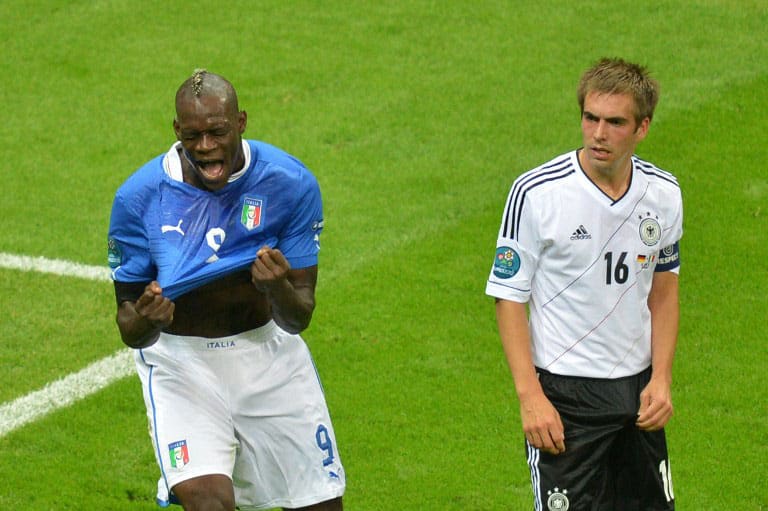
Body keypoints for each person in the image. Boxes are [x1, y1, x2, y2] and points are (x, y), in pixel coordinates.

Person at [107, 69, 345, 511]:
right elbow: (129, 326)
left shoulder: (289, 184)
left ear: (241, 123)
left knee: (321, 506)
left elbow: (298, 317)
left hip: (268, 357)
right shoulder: (140, 198)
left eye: (217, 132)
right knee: (209, 504)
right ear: (177, 131)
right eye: (193, 135)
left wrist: (277, 291)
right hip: (181, 364)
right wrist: (146, 320)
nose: (205, 146)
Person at [485, 58, 682, 510]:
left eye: (615, 122)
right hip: (566, 396)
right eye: (590, 118)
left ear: (642, 128)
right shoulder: (537, 194)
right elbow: (509, 298)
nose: (598, 133)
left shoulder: (664, 195)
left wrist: (663, 377)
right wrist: (530, 397)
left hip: (638, 394)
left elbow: (664, 289)